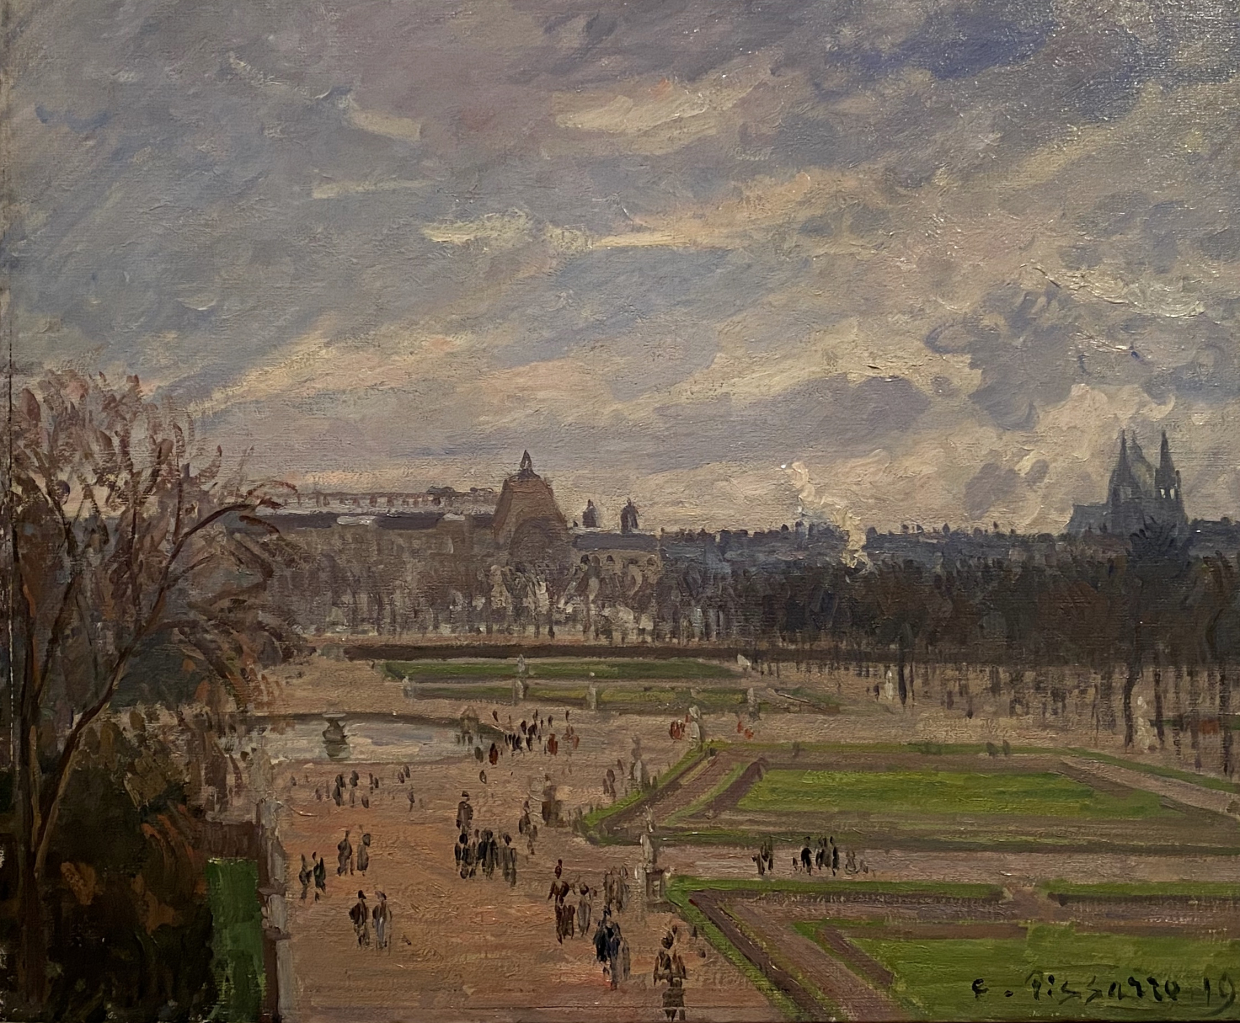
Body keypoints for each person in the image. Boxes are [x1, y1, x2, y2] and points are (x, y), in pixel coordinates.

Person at [654, 931, 688, 1021]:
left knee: (679, 1005)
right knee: (675, 1005)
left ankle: (677, 1017)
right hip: (673, 986)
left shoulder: (673, 955)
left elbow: (681, 971)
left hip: (675, 986)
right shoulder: (667, 955)